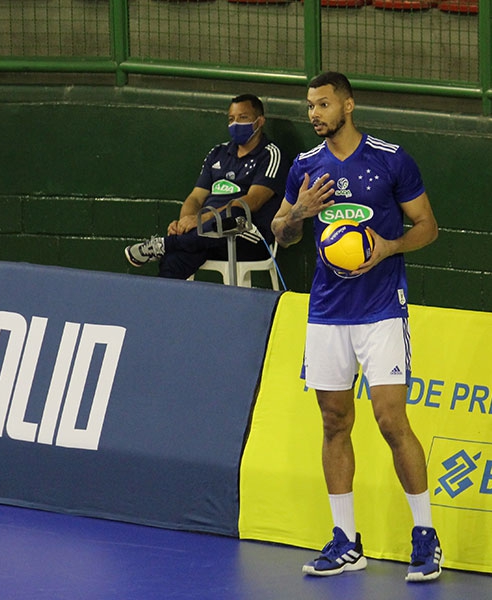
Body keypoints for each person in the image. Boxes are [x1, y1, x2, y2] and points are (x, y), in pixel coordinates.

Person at [271, 72, 442, 582]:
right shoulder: (305, 166)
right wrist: (297, 212)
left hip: (381, 309)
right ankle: (346, 540)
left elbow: (428, 227)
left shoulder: (391, 159)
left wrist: (388, 247)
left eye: (323, 104)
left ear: (348, 105)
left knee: (391, 421)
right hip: (326, 310)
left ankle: (426, 535)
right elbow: (281, 231)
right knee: (333, 422)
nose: (314, 114)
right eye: (309, 106)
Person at [124, 94, 287, 280]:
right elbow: (195, 198)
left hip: (246, 237)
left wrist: (204, 219)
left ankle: (166, 243)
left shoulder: (271, 155)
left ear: (260, 121)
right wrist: (185, 223)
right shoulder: (218, 153)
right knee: (175, 257)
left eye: (243, 118)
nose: (235, 124)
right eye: (231, 119)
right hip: (204, 237)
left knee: (233, 213)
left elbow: (253, 201)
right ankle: (165, 302)